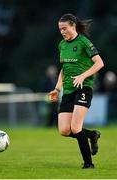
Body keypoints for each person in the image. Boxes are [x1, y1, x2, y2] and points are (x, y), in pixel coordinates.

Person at [49, 13, 104, 169]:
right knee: (64, 130)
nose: (62, 31)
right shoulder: (62, 45)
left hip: (83, 88)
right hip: (68, 90)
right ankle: (92, 135)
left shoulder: (84, 42)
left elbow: (100, 63)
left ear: (73, 25)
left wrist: (83, 76)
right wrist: (57, 88)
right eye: (60, 29)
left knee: (75, 127)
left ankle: (88, 164)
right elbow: (64, 68)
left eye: (64, 28)